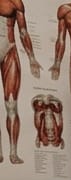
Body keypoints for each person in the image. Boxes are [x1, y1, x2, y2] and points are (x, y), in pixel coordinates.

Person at [0, 0, 40, 164]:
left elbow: (23, 32)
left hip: (9, 49)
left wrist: (32, 59)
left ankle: (13, 152)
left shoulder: (15, 2)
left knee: (11, 104)